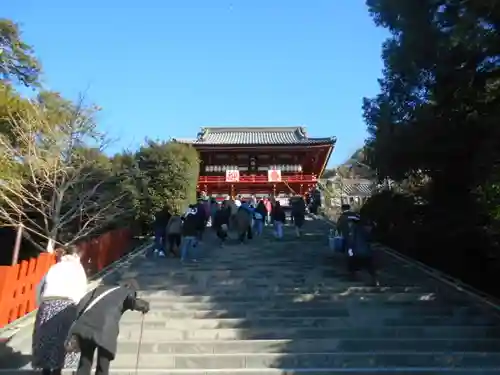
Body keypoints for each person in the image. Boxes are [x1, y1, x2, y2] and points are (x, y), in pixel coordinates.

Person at [69, 280, 150, 375]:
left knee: (85, 362)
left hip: (86, 326)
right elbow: (132, 301)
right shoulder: (125, 292)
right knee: (103, 365)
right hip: (105, 331)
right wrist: (145, 306)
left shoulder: (100, 289)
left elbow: (82, 303)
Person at [32, 245, 88, 375]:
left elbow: (39, 287)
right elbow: (81, 289)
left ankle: (45, 369)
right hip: (66, 305)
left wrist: (40, 304)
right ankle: (58, 369)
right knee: (64, 339)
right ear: (77, 255)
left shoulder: (54, 267)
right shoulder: (77, 268)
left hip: (47, 303)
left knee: (45, 339)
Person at [344, 215, 379, 286]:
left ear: (353, 222)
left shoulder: (353, 229)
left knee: (352, 264)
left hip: (358, 252)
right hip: (366, 252)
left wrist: (350, 250)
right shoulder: (363, 229)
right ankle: (375, 280)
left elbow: (351, 241)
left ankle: (354, 278)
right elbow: (369, 239)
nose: (349, 224)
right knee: (369, 267)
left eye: (350, 222)